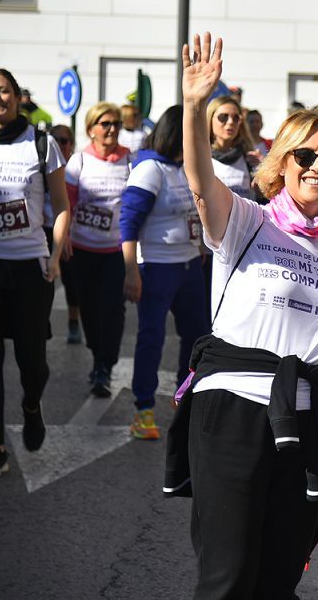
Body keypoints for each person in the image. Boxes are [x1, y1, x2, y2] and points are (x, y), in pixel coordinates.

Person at [163, 33, 318, 598]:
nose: (317, 165)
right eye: (305, 154)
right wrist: (196, 105)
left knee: (280, 576)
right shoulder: (248, 221)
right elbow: (200, 182)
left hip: (309, 422)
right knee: (228, 577)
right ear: (283, 161)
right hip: (234, 411)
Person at [0, 69, 70, 479]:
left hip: (29, 265)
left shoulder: (42, 145)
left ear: (16, 97)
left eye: (3, 91)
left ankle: (31, 404)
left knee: (32, 360)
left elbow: (61, 206)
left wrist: (57, 254)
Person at [119, 104, 209, 440]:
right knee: (152, 338)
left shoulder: (184, 167)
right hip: (156, 267)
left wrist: (199, 247)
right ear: (176, 132)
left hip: (189, 267)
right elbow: (127, 224)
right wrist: (131, 271)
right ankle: (143, 409)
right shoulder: (149, 170)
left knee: (197, 336)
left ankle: (184, 396)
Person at [65, 102, 133, 398]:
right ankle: (97, 355)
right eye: (104, 123)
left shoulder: (131, 161)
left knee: (113, 310)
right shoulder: (78, 161)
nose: (111, 129)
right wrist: (63, 235)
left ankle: (105, 364)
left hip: (116, 251)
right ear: (91, 128)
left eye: (116, 123)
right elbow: (65, 203)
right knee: (89, 309)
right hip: (82, 248)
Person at [49, 123, 82, 344]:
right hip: (43, 230)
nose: (61, 145)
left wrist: (67, 234)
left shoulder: (75, 169)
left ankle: (73, 322)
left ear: (71, 144)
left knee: (72, 280)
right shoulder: (43, 166)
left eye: (65, 140)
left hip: (71, 232)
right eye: (57, 140)